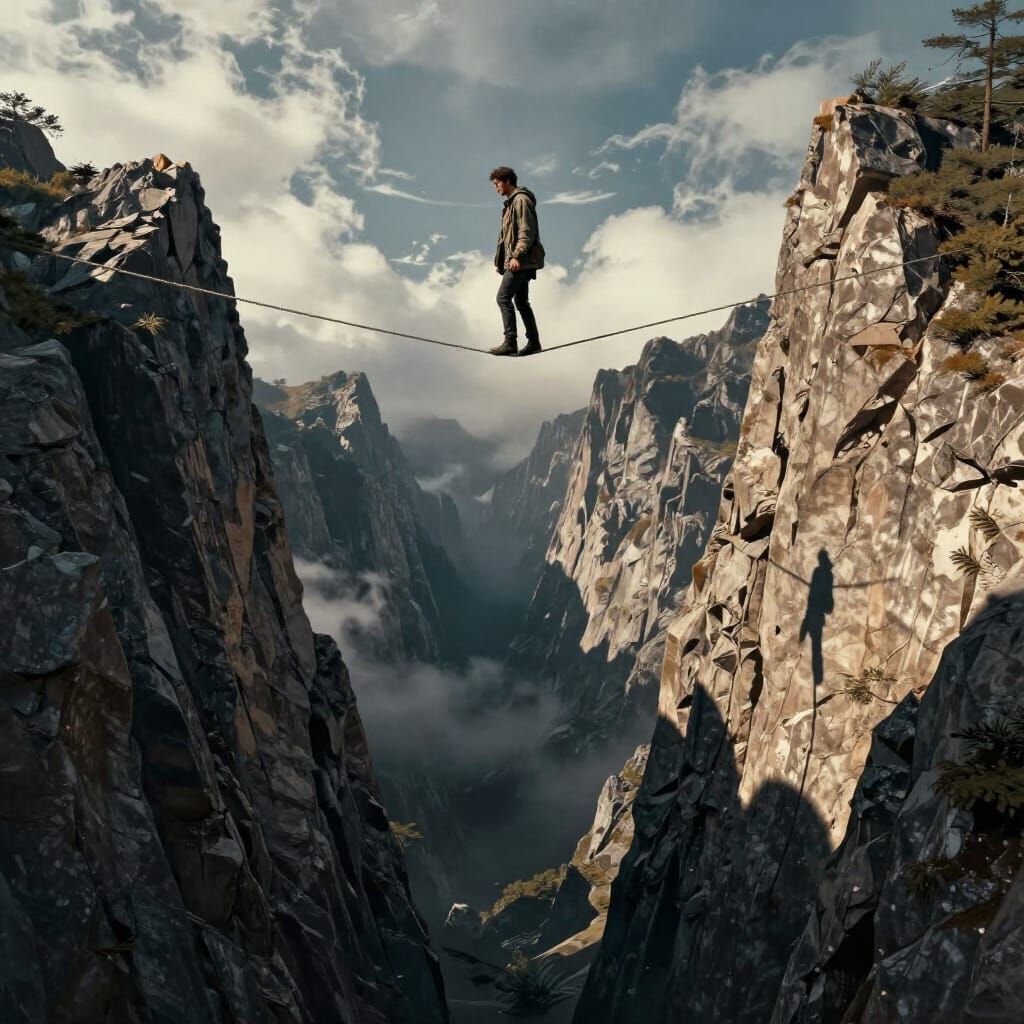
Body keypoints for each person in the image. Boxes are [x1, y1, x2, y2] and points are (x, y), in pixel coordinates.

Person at [489, 166, 545, 356]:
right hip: (518, 261)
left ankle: (510, 341)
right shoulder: (511, 204)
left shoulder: (520, 200)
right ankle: (534, 342)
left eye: (497, 184)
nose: (496, 188)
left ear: (506, 181)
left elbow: (526, 232)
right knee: (521, 301)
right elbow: (506, 238)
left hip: (522, 260)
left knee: (503, 298)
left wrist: (516, 256)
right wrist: (502, 262)